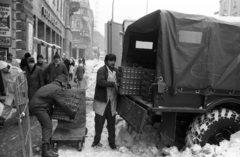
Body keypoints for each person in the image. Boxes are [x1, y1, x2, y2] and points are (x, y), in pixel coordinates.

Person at [29, 74, 76, 157]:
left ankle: (47, 145)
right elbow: (62, 103)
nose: (65, 86)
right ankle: (45, 152)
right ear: (62, 82)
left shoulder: (51, 86)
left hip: (36, 105)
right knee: (47, 126)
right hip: (38, 107)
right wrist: (71, 113)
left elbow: (47, 99)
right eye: (65, 84)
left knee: (46, 125)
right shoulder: (57, 89)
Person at [92, 54, 119, 150]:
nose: (113, 62)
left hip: (112, 101)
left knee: (111, 123)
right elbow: (100, 82)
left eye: (114, 60)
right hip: (102, 101)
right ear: (106, 61)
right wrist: (113, 84)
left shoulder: (116, 71)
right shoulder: (101, 70)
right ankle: (96, 140)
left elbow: (120, 81)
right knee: (99, 122)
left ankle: (112, 141)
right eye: (111, 60)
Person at [0, 61, 22, 127]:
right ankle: (1, 120)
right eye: (1, 70)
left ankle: (20, 118)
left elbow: (23, 81)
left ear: (7, 67)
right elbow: (5, 82)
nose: (3, 71)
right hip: (10, 92)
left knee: (19, 106)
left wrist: (23, 91)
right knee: (7, 105)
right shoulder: (3, 72)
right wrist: (5, 92)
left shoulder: (17, 70)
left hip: (19, 91)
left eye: (3, 70)